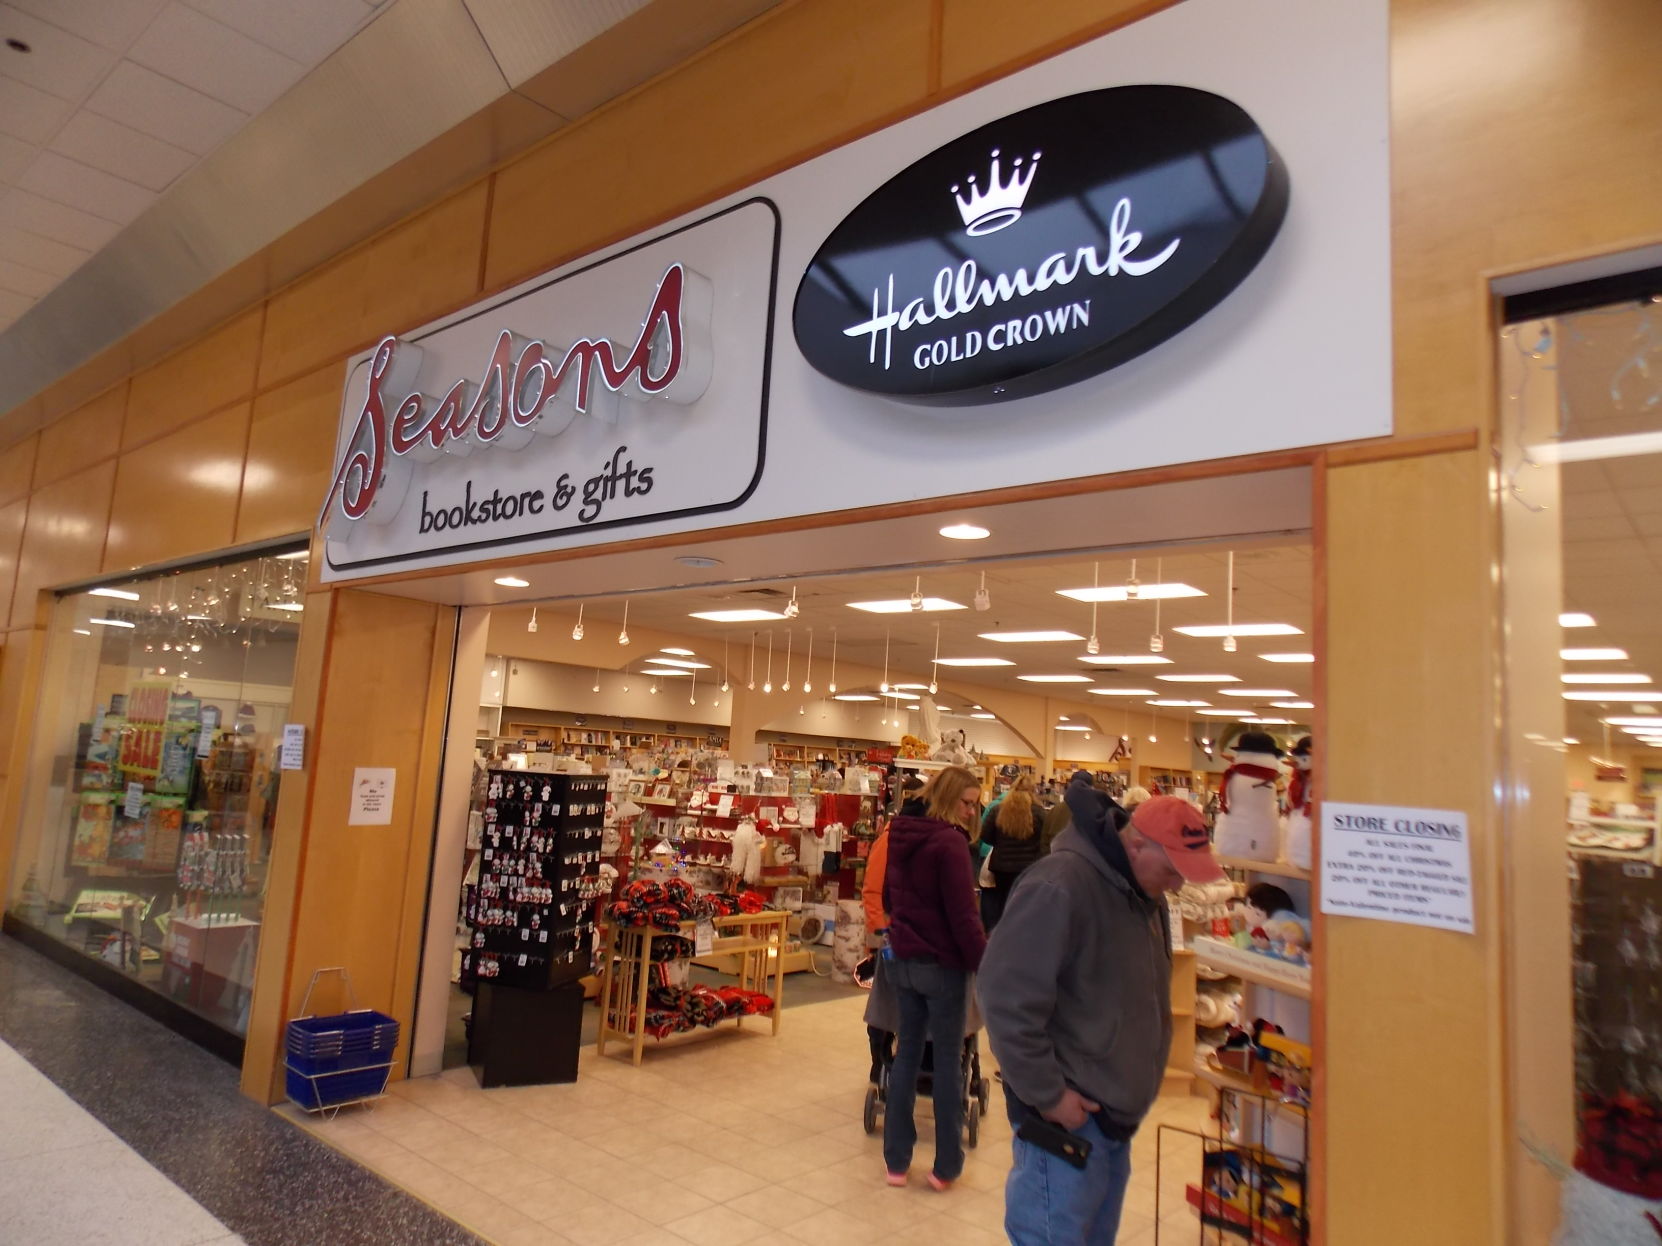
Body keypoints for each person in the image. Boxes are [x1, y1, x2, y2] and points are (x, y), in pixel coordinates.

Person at [979, 773, 1226, 1244]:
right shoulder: (1061, 886)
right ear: (1137, 846)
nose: (1177, 884)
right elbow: (1003, 997)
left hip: (1110, 1120)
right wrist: (1050, 1095)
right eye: (1173, 869)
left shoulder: (1140, 893)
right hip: (1067, 1126)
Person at [880, 763, 987, 1191]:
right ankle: (946, 1165)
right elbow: (963, 916)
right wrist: (984, 963)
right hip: (943, 966)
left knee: (906, 1055)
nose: (970, 812)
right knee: (947, 1062)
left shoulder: (899, 835)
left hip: (904, 960)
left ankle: (896, 1161)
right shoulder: (950, 845)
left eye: (975, 805)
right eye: (965, 803)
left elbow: (889, 897)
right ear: (947, 798)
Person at [977, 774, 1043, 931]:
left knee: (1002, 903)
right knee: (1023, 906)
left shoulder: (997, 809)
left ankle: (998, 934)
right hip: (1028, 868)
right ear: (1033, 791)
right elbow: (1044, 839)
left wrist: (1001, 844)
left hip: (1001, 867)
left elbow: (985, 835)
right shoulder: (1038, 812)